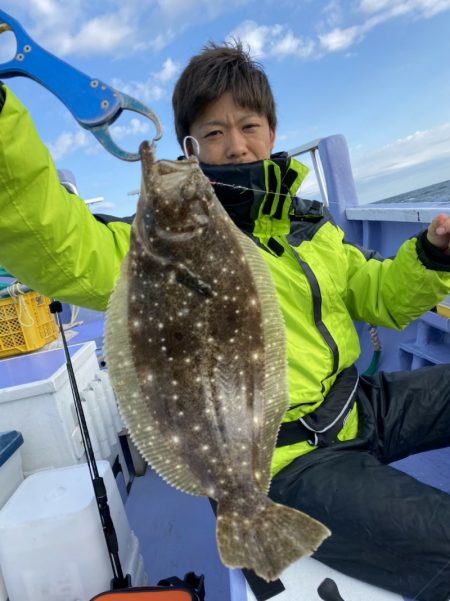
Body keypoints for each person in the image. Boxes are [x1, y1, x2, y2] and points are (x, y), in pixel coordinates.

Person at [1, 41, 450, 601]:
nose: (235, 146)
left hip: (357, 405)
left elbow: (379, 297)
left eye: (248, 126)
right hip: (283, 460)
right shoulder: (146, 250)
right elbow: (56, 243)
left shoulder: (308, 228)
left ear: (271, 132)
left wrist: (433, 253)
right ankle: (258, 518)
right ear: (190, 146)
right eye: (214, 132)